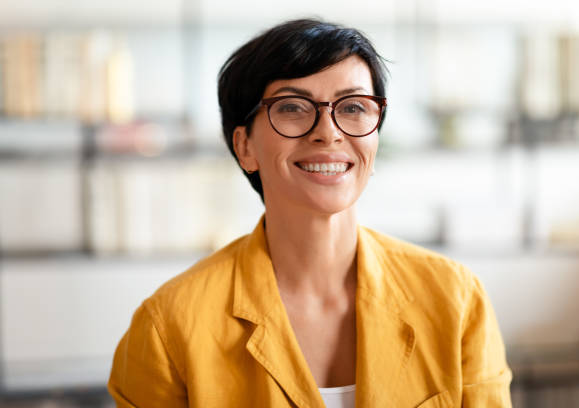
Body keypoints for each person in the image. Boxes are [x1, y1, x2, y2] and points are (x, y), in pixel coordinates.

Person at [108, 19, 512, 407]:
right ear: (245, 145)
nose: (329, 131)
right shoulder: (168, 327)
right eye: (292, 107)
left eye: (353, 107)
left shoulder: (456, 300)